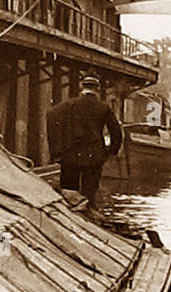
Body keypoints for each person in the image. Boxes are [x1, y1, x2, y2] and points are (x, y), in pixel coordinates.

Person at [46, 72, 123, 206]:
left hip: (71, 154)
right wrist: (111, 151)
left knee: (69, 195)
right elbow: (116, 132)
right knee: (89, 194)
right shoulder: (104, 108)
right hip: (94, 155)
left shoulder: (68, 105)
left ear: (82, 87)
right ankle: (89, 217)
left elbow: (50, 115)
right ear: (97, 89)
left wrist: (57, 151)